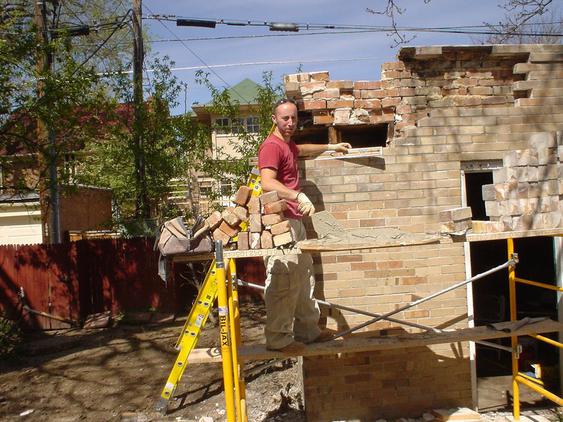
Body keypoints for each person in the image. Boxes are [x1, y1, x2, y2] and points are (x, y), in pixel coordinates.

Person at [258, 98, 351, 352]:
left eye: (294, 119)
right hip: (281, 224)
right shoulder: (271, 146)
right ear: (274, 119)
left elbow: (303, 149)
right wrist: (296, 195)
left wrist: (332, 146)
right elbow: (267, 181)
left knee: (302, 277)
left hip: (294, 222)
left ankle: (308, 332)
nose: (290, 123)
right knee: (283, 281)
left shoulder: (287, 145)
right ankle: (278, 339)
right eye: (285, 118)